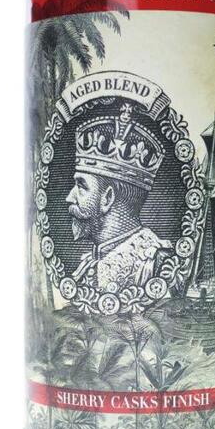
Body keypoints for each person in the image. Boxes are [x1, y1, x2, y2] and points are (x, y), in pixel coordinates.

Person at [67, 103, 172, 293]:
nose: (69, 198)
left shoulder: (157, 264)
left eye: (81, 186)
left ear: (107, 199)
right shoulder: (89, 263)